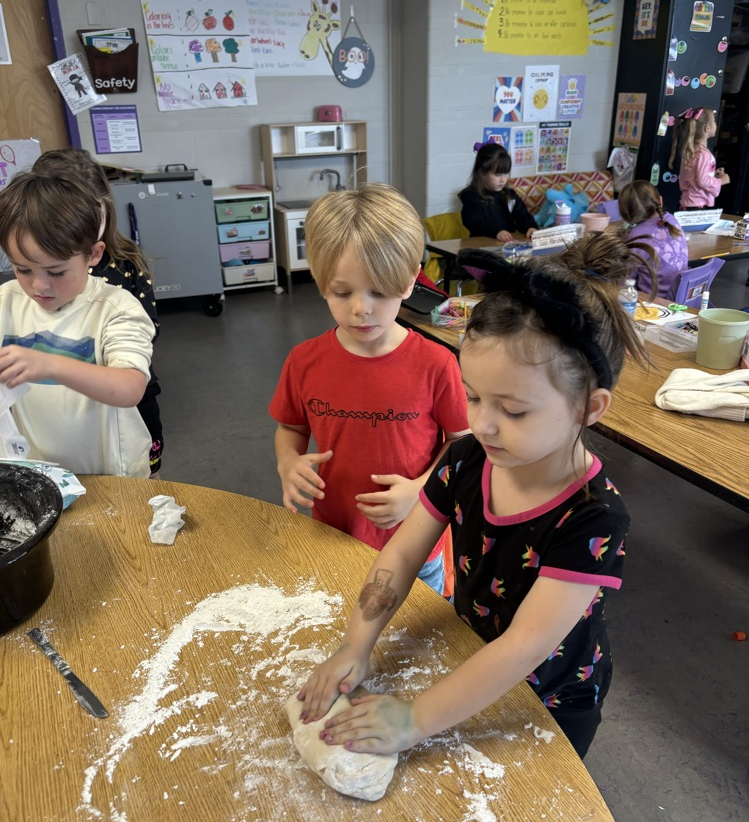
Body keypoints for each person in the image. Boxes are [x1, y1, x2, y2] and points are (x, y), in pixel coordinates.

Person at [296, 228, 656, 761]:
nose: (482, 424)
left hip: (552, 702)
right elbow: (401, 552)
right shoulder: (467, 460)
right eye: (472, 396)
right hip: (469, 659)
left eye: (512, 411)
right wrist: (357, 642)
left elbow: (523, 649)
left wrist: (414, 718)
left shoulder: (593, 517)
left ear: (589, 408)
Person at [269, 183, 469, 596]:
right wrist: (288, 464)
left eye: (379, 291)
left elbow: (462, 444)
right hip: (333, 537)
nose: (361, 308)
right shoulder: (305, 361)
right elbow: (291, 428)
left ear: (412, 279)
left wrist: (421, 490)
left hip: (416, 545)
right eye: (343, 292)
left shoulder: (436, 364)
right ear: (321, 282)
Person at [0, 171, 154, 476]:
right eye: (22, 269)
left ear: (92, 255)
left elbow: (130, 387)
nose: (39, 286)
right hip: (38, 469)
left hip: (111, 472)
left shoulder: (115, 308)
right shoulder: (5, 301)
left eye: (56, 272)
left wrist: (51, 365)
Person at [32, 148, 164, 476]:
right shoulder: (31, 284)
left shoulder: (126, 264)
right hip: (65, 414)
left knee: (143, 485)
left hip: (129, 406)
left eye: (92, 216)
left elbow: (148, 330)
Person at [619, 180, 688, 296]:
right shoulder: (671, 220)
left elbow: (626, 281)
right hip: (680, 296)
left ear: (625, 213)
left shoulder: (636, 236)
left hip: (655, 302)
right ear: (660, 201)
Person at [459, 142, 538, 242]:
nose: (503, 180)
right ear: (482, 173)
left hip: (505, 246)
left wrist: (530, 227)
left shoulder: (509, 195)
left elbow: (522, 216)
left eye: (506, 173)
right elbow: (475, 224)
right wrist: (496, 232)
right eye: (497, 174)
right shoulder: (471, 197)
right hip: (481, 247)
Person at [669, 107, 730, 209]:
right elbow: (702, 182)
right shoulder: (703, 154)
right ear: (707, 128)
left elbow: (693, 176)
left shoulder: (691, 150)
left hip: (687, 203)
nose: (716, 124)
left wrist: (712, 174)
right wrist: (721, 181)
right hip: (697, 206)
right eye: (714, 121)